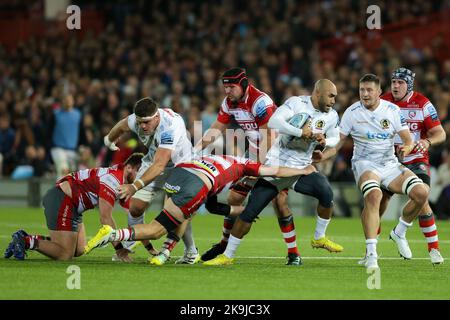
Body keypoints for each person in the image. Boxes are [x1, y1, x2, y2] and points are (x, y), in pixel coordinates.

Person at [203, 79, 342, 266]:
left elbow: (335, 138)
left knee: (326, 192)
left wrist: (325, 142)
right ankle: (227, 255)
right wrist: (301, 133)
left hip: (300, 169)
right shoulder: (296, 103)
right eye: (331, 95)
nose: (334, 100)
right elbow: (275, 122)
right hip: (276, 166)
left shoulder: (332, 115)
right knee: (250, 212)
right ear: (318, 93)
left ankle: (319, 237)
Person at [83, 154, 317, 256]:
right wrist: (302, 170)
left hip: (179, 174)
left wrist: (241, 210)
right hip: (197, 184)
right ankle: (121, 235)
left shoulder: (220, 158)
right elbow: (275, 171)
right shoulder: (248, 166)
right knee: (158, 229)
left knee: (171, 216)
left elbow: (214, 207)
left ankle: (119, 235)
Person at [328, 74, 429, 269]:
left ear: (379, 92)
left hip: (389, 164)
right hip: (364, 164)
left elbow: (407, 139)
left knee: (422, 193)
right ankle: (372, 254)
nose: (364, 94)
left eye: (369, 90)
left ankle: (399, 231)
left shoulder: (392, 110)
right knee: (374, 195)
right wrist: (321, 156)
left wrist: (407, 147)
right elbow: (336, 143)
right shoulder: (352, 112)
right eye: (361, 90)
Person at [103, 97, 199, 264]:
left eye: (146, 122)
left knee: (174, 212)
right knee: (135, 207)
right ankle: (130, 244)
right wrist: (109, 140)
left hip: (180, 165)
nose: (142, 126)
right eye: (140, 122)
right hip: (153, 162)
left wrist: (133, 187)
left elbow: (160, 165)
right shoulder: (137, 120)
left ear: (156, 117)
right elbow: (121, 126)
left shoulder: (170, 126)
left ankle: (191, 251)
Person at [4, 153, 143, 261]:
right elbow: (105, 219)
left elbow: (133, 215)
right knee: (65, 254)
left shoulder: (122, 181)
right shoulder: (113, 180)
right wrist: (119, 249)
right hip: (63, 199)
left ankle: (27, 238)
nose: (141, 177)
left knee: (79, 249)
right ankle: (25, 241)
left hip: (73, 205)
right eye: (139, 172)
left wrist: (150, 246)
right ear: (129, 168)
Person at [377, 68, 445, 264]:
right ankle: (370, 249)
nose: (396, 86)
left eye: (401, 83)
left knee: (422, 195)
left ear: (409, 85)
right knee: (377, 203)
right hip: (389, 162)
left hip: (416, 160)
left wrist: (428, 142)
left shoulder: (423, 104)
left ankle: (431, 248)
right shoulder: (383, 102)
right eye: (394, 82)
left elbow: (440, 133)